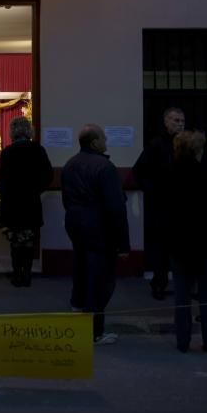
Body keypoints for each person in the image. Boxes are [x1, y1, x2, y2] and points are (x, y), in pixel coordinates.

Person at [62, 124, 131, 346]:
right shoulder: (105, 167)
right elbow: (116, 207)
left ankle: (78, 310)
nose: (106, 142)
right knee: (100, 279)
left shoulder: (70, 164)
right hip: (100, 227)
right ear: (94, 142)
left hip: (75, 223)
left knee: (80, 269)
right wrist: (123, 244)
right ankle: (95, 332)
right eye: (103, 138)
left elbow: (66, 198)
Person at [167, 130, 207, 353]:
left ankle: (182, 342)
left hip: (179, 241)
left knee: (181, 295)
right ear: (196, 149)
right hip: (203, 241)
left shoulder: (171, 172)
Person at [133, 107, 186, 299]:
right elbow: (139, 171)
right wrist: (154, 190)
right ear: (165, 122)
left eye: (181, 120)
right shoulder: (157, 145)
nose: (179, 124)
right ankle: (159, 283)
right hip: (161, 207)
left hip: (182, 207)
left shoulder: (187, 144)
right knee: (161, 248)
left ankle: (183, 284)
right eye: (175, 120)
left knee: (181, 247)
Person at [0, 117, 53, 287]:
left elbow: (1, 180)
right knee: (29, 240)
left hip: (12, 202)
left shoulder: (7, 152)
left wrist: (4, 193)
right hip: (31, 201)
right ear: (29, 131)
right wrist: (36, 190)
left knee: (15, 241)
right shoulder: (38, 150)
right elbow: (48, 175)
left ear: (12, 131)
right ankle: (27, 274)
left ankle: (16, 274)